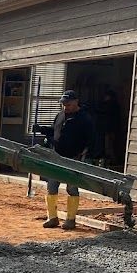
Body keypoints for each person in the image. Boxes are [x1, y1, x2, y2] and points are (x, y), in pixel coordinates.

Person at [40, 90, 94, 231]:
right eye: (63, 104)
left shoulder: (85, 118)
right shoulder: (60, 115)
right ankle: (52, 217)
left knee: (72, 188)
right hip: (56, 156)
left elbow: (91, 139)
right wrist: (43, 131)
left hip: (73, 158)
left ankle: (71, 219)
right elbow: (54, 131)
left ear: (76, 102)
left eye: (68, 104)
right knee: (51, 187)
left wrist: (84, 154)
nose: (65, 107)